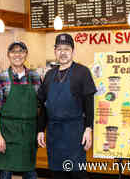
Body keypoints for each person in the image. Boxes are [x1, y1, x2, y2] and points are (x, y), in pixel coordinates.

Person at [37, 33, 97, 179]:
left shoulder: (82, 72)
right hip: (54, 134)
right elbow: (44, 106)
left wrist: (88, 128)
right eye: (59, 49)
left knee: (77, 173)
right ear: (55, 51)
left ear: (73, 51)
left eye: (66, 49)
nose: (62, 52)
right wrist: (40, 130)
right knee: (57, 173)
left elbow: (89, 103)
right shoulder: (49, 75)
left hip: (74, 133)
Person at [0, 41, 41, 179]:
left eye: (21, 51)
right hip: (7, 136)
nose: (17, 55)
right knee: (5, 174)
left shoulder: (35, 77)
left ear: (26, 54)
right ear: (8, 55)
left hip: (28, 136)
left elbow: (40, 106)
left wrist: (40, 131)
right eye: (13, 52)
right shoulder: (0, 78)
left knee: (30, 174)